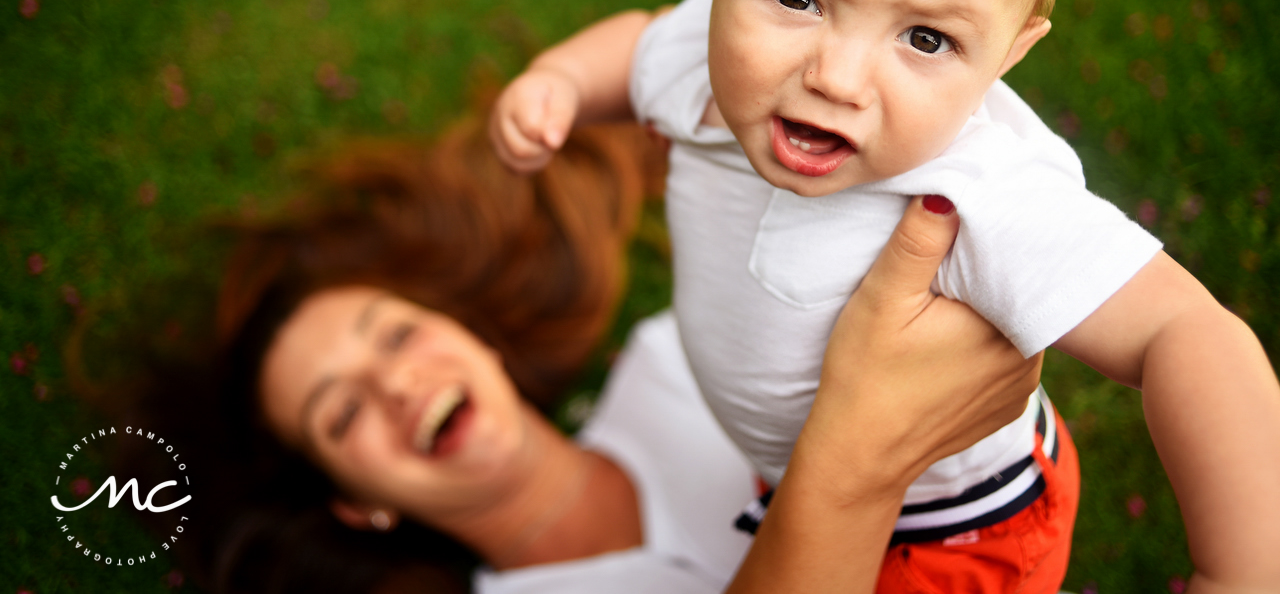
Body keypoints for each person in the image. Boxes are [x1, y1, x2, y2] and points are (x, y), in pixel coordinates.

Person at [488, 0, 1280, 591]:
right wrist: (563, 83)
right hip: (798, 477)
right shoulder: (703, 46)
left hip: (955, 533)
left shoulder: (978, 189)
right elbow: (643, 41)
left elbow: (1189, 336)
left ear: (1008, 57)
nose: (836, 76)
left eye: (926, 38)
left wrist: (1242, 571)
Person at [140, 117, 1039, 594]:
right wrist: (857, 466)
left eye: (400, 334)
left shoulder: (681, 355)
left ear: (476, 340)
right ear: (359, 505)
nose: (398, 384)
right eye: (341, 414)